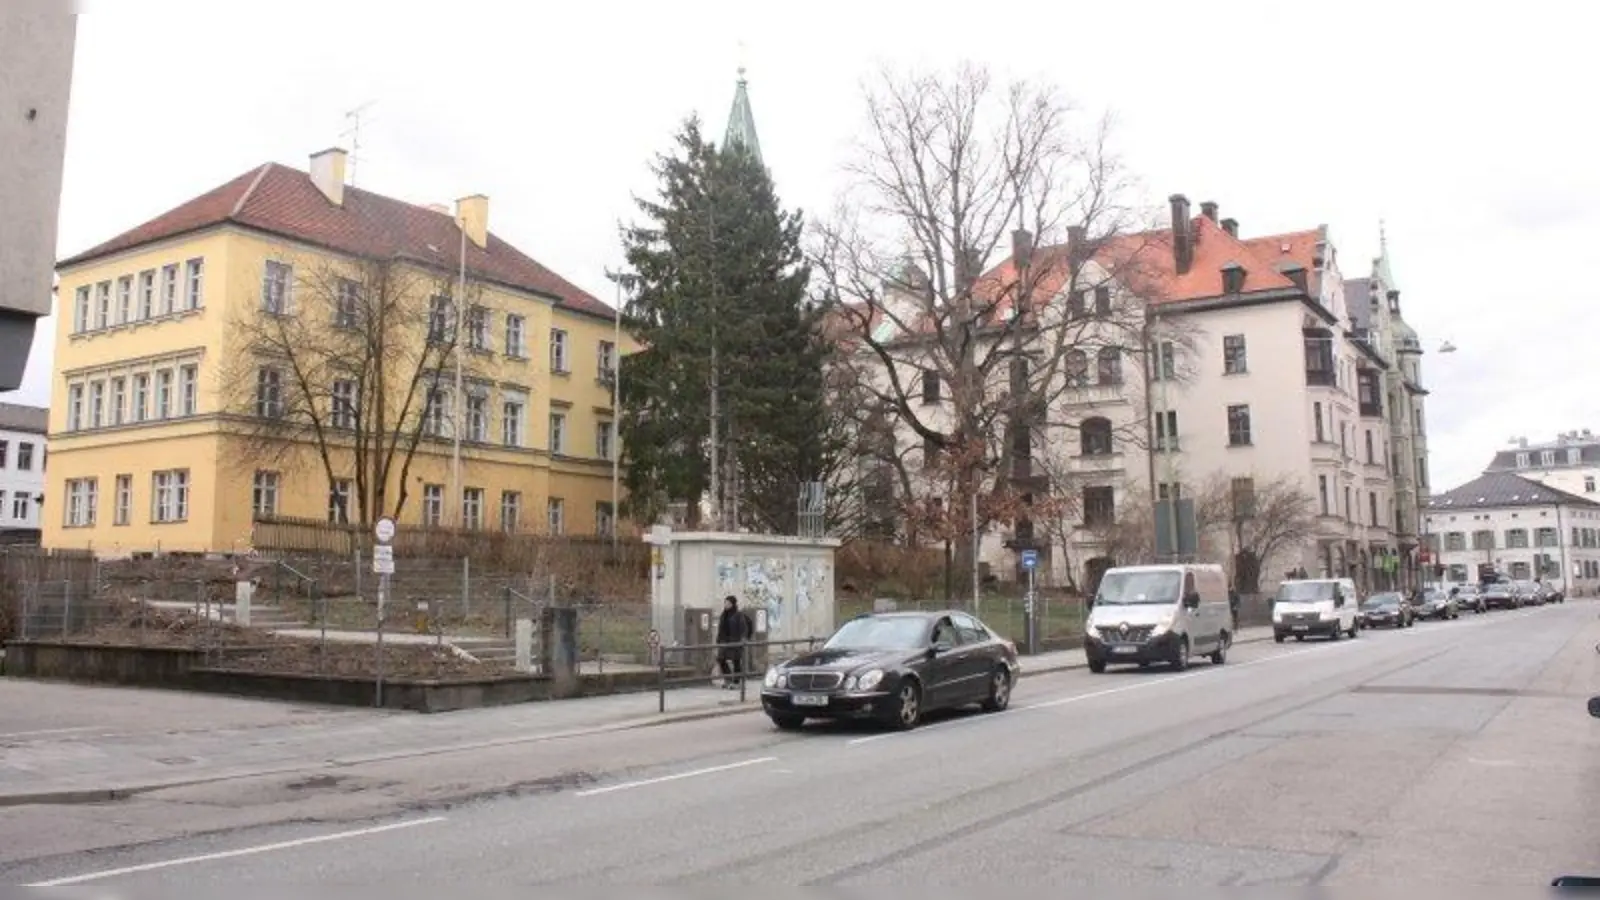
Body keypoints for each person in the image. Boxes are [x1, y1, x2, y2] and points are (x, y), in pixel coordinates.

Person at [715, 595, 754, 689]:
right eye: (725, 603)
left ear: (733, 604)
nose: (726, 605)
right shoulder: (723, 614)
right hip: (724, 641)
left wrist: (743, 639)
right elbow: (721, 628)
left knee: (736, 661)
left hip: (735, 641)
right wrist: (718, 639)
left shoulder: (738, 615)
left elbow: (743, 628)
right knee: (720, 659)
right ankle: (728, 679)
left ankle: (737, 682)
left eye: (728, 603)